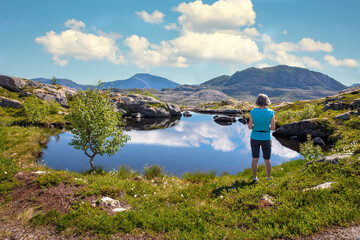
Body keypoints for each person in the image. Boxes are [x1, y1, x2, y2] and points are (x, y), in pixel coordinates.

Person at [248, 94, 275, 182]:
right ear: (267, 101)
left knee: (255, 159)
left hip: (255, 137)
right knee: (267, 160)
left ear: (257, 101)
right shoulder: (271, 112)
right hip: (266, 138)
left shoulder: (253, 111)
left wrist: (257, 127)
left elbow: (249, 126)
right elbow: (273, 128)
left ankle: (255, 178)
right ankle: (268, 178)